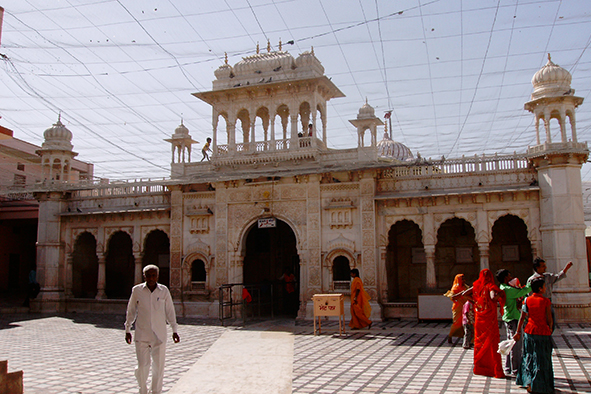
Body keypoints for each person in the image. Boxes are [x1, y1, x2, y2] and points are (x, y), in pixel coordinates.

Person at [125, 265, 180, 394]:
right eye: (148, 275)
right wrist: (127, 329)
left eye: (153, 275)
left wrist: (174, 330)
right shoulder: (137, 291)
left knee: (158, 367)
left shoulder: (164, 291)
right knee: (143, 366)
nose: (151, 278)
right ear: (144, 276)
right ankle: (142, 390)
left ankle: (156, 392)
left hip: (159, 335)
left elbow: (170, 311)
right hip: (142, 333)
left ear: (157, 276)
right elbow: (131, 310)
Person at [514, 278, 554, 393]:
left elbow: (522, 318)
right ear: (540, 289)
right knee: (542, 359)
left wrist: (518, 332)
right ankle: (542, 385)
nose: (545, 288)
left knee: (529, 357)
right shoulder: (546, 301)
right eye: (544, 286)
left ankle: (529, 383)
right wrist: (550, 328)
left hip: (530, 331)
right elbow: (549, 318)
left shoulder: (527, 300)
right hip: (542, 332)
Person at [470, 268, 506, 378]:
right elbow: (492, 297)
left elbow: (464, 294)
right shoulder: (490, 286)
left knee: (480, 343)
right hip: (489, 319)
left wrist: (475, 302)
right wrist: (500, 294)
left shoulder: (477, 285)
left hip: (480, 318)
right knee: (492, 343)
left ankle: (480, 368)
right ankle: (495, 370)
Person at [496, 269, 532, 376]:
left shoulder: (504, 288)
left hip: (509, 317)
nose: (511, 277)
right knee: (516, 344)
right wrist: (530, 284)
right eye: (509, 276)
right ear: (505, 278)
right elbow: (522, 292)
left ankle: (508, 367)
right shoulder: (507, 289)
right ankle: (516, 369)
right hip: (513, 318)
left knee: (511, 343)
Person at [527, 257, 572, 332]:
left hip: (548, 301)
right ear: (537, 267)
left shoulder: (548, 276)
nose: (545, 268)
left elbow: (558, 277)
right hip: (538, 303)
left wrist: (566, 269)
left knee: (551, 321)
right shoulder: (531, 279)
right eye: (543, 266)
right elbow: (529, 293)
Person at [444, 273, 468, 344]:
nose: (464, 280)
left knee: (467, 323)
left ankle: (468, 339)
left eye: (464, 278)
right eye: (462, 279)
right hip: (458, 307)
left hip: (466, 307)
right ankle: (450, 336)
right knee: (457, 323)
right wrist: (461, 293)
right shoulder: (455, 288)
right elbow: (453, 297)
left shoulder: (465, 286)